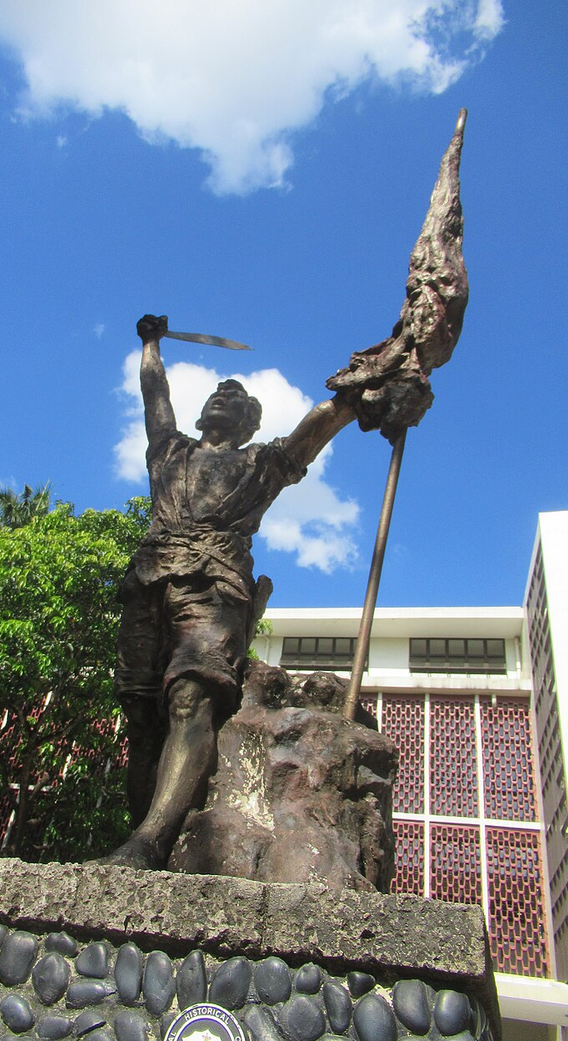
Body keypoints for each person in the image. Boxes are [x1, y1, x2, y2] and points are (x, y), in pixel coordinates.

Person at [106, 314, 360, 869]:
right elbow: (155, 394)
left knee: (189, 698)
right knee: (142, 718)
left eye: (237, 398)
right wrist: (150, 344)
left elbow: (312, 431)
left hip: (214, 584)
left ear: (247, 424)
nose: (223, 396)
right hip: (149, 580)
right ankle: (141, 847)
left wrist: (355, 394)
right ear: (203, 414)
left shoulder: (260, 464)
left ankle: (149, 841)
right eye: (218, 394)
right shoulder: (169, 451)